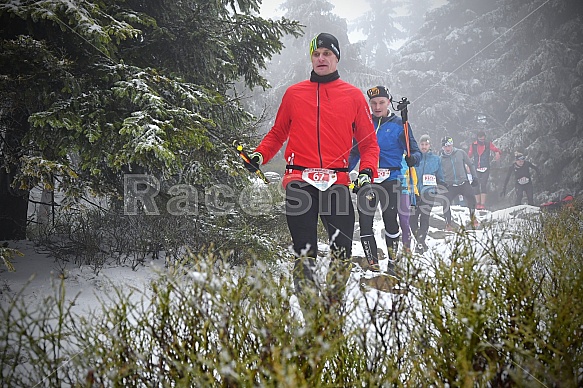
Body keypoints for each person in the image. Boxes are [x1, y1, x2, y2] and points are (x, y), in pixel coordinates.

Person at [243, 33, 379, 310]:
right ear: (311, 58)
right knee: (305, 252)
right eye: (316, 54)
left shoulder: (353, 96)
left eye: (327, 53)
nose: (321, 58)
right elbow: (278, 132)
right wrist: (259, 154)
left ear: (336, 57)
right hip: (299, 179)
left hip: (337, 180)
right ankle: (309, 314)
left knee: (342, 250)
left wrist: (366, 171)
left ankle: (333, 308)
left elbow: (369, 144)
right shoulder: (295, 93)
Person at [348, 85, 421, 276]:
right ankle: (372, 264)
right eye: (373, 103)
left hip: (392, 178)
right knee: (365, 222)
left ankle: (392, 261)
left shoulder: (399, 124)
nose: (377, 106)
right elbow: (355, 151)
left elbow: (414, 150)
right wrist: (341, 170)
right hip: (367, 177)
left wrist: (413, 158)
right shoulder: (363, 123)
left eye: (381, 102)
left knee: (391, 221)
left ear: (389, 102)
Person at [410, 134, 445, 252]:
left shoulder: (436, 159)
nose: (424, 147)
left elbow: (440, 175)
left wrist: (442, 183)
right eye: (422, 144)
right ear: (419, 145)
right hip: (414, 193)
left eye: (426, 144)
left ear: (430, 145)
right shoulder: (414, 158)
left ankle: (420, 243)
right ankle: (420, 242)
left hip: (429, 193)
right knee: (412, 220)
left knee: (424, 218)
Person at [440, 136, 479, 230]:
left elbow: (470, 164)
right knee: (445, 202)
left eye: (449, 146)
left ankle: (473, 219)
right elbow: (439, 172)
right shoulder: (441, 159)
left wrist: (475, 177)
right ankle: (448, 224)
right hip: (450, 185)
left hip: (463, 182)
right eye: (445, 147)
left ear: (452, 145)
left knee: (471, 198)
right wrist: (441, 183)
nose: (448, 148)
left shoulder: (460, 153)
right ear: (442, 148)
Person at [468, 130, 502, 210]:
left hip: (485, 167)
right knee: (476, 185)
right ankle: (478, 203)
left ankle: (482, 204)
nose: (482, 141)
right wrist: (468, 165)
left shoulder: (488, 144)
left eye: (483, 139)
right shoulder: (473, 145)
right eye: (480, 140)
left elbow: (496, 149)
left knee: (483, 184)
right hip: (476, 168)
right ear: (477, 139)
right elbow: (468, 155)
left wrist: (497, 153)